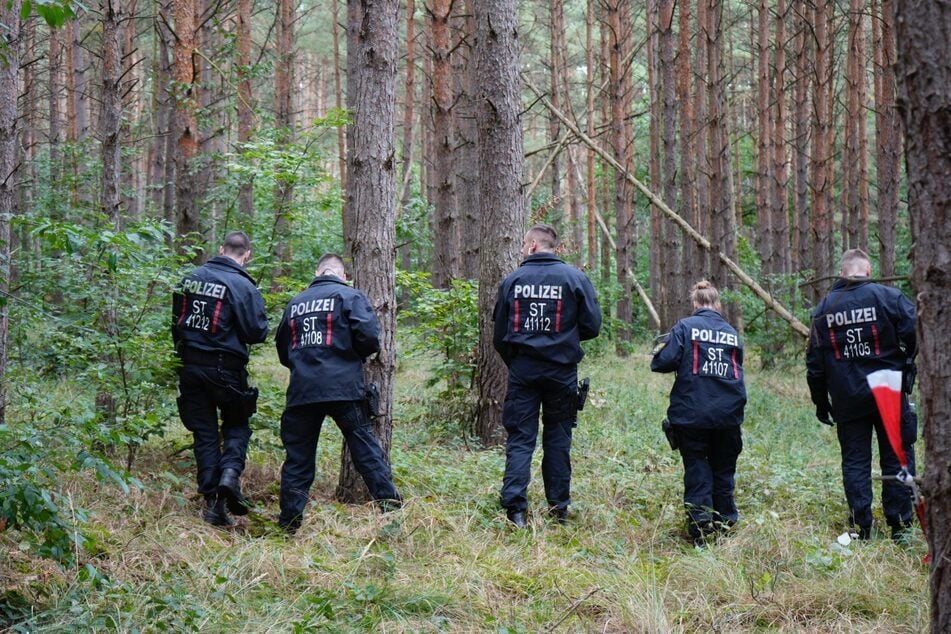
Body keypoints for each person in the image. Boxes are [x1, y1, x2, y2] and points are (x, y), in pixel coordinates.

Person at [275, 254, 401, 533]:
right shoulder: (350, 296)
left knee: (298, 458)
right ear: (344, 275)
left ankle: (288, 525)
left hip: (302, 391)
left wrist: (303, 364)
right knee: (366, 450)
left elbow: (284, 348)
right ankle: (391, 510)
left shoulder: (295, 303)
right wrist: (346, 356)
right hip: (343, 388)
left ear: (317, 272)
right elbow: (369, 339)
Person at [493, 224, 602, 527]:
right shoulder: (575, 279)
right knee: (558, 439)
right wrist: (563, 339)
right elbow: (592, 326)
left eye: (523, 244)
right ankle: (559, 509)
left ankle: (515, 510)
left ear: (533, 246)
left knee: (520, 439)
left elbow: (499, 335)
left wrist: (517, 360)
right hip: (561, 372)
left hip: (524, 371)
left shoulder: (513, 281)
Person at [806, 248, 917, 540]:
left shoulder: (824, 309)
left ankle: (862, 526)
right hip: (888, 389)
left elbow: (815, 364)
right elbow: (915, 331)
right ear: (868, 271)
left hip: (847, 395)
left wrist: (821, 402)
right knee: (896, 455)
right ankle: (901, 526)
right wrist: (906, 362)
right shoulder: (888, 297)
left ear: (843, 273)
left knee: (855, 460)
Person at [172, 231, 269, 526]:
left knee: (205, 434)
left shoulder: (189, 279)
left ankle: (213, 505)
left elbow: (175, 323)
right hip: (226, 368)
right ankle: (229, 475)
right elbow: (257, 332)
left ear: (220, 248)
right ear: (247, 255)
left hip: (190, 366)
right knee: (237, 424)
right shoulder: (242, 286)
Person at [651, 281, 746, 545]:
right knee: (724, 469)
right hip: (728, 413)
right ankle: (726, 523)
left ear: (695, 304)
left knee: (697, 467)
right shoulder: (732, 333)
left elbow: (661, 362)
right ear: (717, 305)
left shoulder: (684, 327)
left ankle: (701, 528)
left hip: (692, 413)